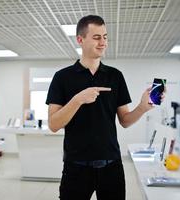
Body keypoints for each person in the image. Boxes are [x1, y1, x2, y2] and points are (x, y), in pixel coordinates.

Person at [46, 15, 164, 200]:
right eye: (96, 37)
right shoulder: (62, 77)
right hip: (76, 168)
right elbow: (53, 124)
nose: (103, 43)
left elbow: (125, 120)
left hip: (111, 167)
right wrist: (77, 99)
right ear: (80, 40)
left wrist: (142, 107)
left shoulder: (115, 76)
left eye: (105, 37)